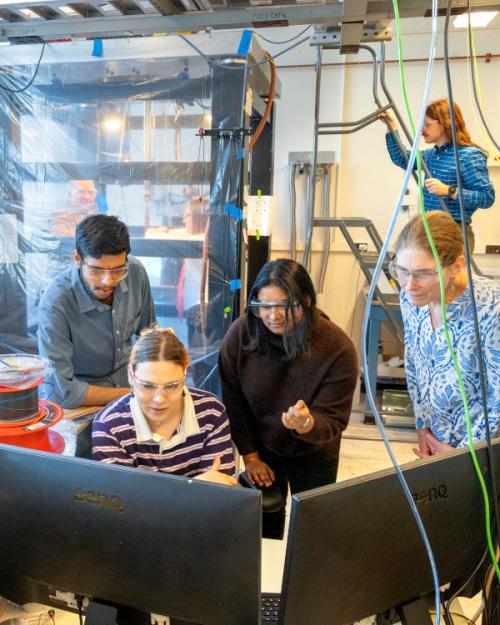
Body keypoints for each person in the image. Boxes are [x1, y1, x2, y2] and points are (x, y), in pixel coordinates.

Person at [218, 258, 358, 538]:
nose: (274, 315)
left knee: (314, 529)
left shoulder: (337, 348)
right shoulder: (241, 334)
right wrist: (251, 456)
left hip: (316, 451)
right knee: (264, 526)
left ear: (306, 301)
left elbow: (334, 420)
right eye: (264, 306)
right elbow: (234, 403)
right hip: (262, 445)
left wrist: (306, 423)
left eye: (285, 305)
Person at [390, 211, 499, 457]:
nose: (409, 285)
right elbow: (415, 363)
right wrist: (421, 425)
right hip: (434, 441)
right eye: (402, 270)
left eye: (423, 273)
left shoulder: (492, 309)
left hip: (481, 452)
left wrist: (462, 454)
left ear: (457, 265)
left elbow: (498, 401)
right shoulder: (411, 299)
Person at [92, 325, 236, 485]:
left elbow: (220, 496)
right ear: (131, 376)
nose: (160, 399)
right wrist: (196, 487)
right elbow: (123, 503)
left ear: (184, 374)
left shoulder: (211, 412)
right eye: (148, 386)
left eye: (172, 385)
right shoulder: (108, 426)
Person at [38, 214, 156, 408]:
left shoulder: (135, 272)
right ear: (77, 258)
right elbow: (60, 392)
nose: (108, 281)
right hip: (83, 400)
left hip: (133, 387)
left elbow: (150, 336)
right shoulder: (56, 303)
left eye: (118, 270)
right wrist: (132, 394)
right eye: (97, 270)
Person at [380, 99, 495, 224]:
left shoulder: (469, 155)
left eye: (427, 124)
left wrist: (448, 190)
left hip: (453, 231)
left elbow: (487, 197)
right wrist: (391, 124)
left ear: (444, 124)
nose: (422, 131)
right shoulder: (431, 155)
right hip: (429, 227)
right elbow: (401, 158)